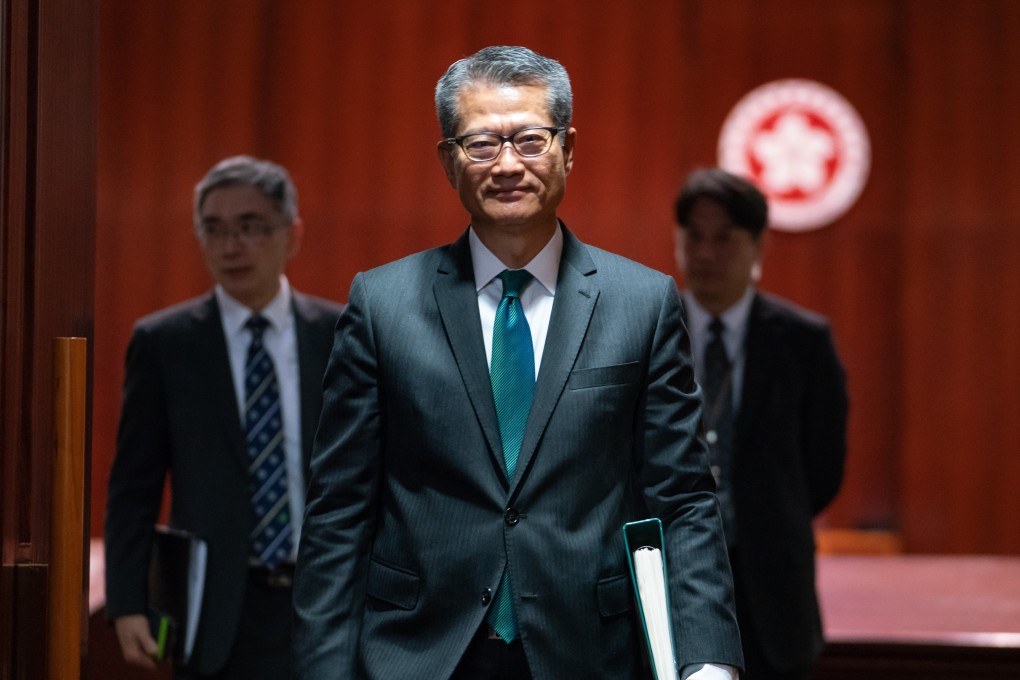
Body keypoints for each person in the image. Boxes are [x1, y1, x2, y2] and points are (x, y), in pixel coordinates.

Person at [293, 46, 743, 680]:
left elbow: (685, 499)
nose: (508, 165)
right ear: (449, 161)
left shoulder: (641, 302)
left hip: (588, 651)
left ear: (568, 148)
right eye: (481, 144)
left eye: (531, 140)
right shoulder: (381, 303)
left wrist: (708, 660)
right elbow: (340, 507)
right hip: (417, 652)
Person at [104, 155, 344, 679]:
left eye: (251, 227)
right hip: (212, 612)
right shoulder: (165, 343)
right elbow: (133, 488)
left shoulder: (340, 335)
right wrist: (126, 602)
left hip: (325, 602)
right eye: (213, 229)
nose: (231, 246)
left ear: (292, 234)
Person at [673, 167, 848, 680]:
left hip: (774, 586)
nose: (705, 254)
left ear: (758, 245)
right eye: (694, 237)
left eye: (724, 238)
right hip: (674, 580)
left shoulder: (803, 340)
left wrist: (762, 512)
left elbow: (823, 469)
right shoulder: (648, 332)